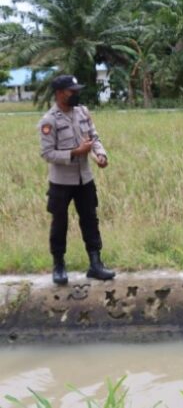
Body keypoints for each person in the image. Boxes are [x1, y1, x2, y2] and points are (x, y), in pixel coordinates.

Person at [38, 75, 116, 285]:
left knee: (90, 219)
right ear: (59, 93)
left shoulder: (83, 112)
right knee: (59, 223)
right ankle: (59, 266)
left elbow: (94, 138)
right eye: (71, 91)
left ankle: (95, 264)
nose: (76, 93)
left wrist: (101, 155)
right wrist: (75, 152)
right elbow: (47, 154)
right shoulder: (49, 120)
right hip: (61, 182)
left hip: (85, 179)